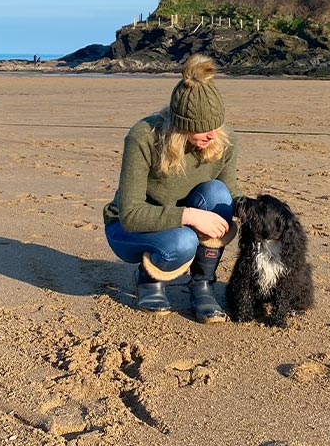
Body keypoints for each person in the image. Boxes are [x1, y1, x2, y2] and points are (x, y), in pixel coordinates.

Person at [103, 54, 240, 323]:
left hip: (180, 220)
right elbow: (130, 214)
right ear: (181, 125)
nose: (212, 134)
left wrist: (259, 211)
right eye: (202, 128)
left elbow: (230, 192)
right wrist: (189, 216)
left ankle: (202, 285)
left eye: (216, 125)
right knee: (182, 242)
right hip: (127, 229)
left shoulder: (224, 140)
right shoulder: (143, 137)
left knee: (218, 195)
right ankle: (148, 279)